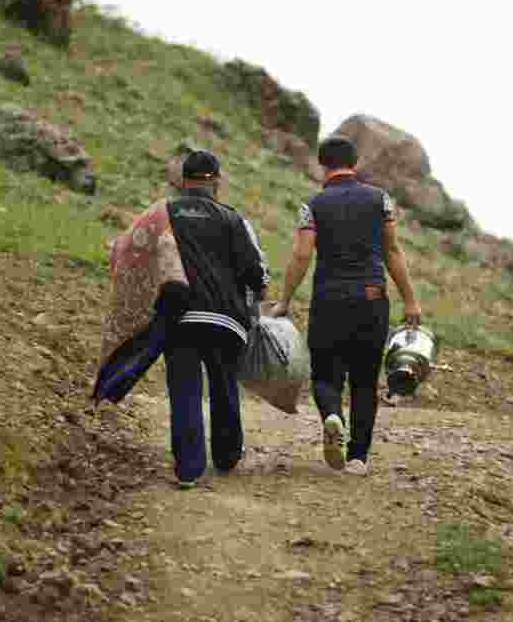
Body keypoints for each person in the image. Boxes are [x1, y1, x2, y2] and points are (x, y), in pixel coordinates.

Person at [273, 135, 421, 476]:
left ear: (322, 165)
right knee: (365, 382)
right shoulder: (379, 199)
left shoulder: (313, 205)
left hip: (328, 301)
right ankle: (358, 458)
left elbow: (301, 255)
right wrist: (410, 301)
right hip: (371, 299)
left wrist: (285, 300)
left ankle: (332, 416)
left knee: (325, 376)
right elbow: (392, 251)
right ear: (354, 163)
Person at [165, 148, 269, 489]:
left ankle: (188, 469)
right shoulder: (231, 218)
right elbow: (253, 270)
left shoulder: (163, 214)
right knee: (224, 386)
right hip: (226, 319)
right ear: (217, 182)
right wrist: (258, 294)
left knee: (185, 390)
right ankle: (225, 456)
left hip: (179, 317)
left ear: (183, 181)